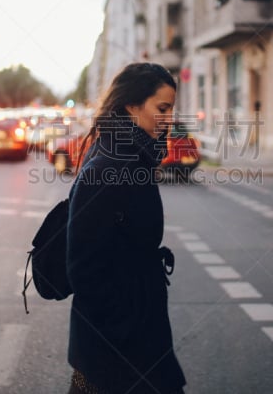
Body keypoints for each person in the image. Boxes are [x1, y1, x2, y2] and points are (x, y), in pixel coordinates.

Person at [66, 62, 186, 394]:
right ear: (132, 106)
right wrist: (124, 332)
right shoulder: (110, 166)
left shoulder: (132, 158)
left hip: (134, 335)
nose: (169, 118)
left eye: (171, 109)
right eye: (162, 108)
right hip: (117, 348)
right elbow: (83, 269)